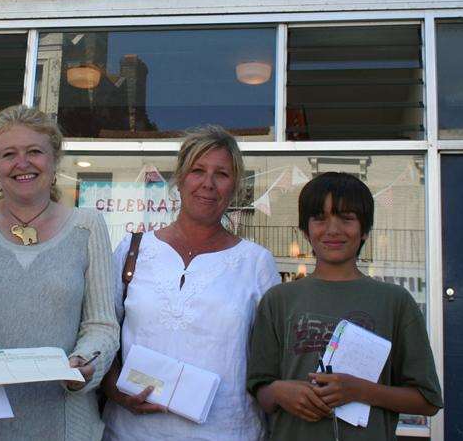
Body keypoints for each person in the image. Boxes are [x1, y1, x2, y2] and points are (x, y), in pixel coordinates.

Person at [0, 105, 119, 441]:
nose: (23, 163)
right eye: (9, 154)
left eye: (35, 152)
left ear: (54, 160)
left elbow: (102, 325)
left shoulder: (87, 227)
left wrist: (86, 360)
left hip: (61, 419)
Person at [101, 125, 280, 441]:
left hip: (226, 432)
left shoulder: (256, 262)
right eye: (198, 170)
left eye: (221, 174)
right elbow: (100, 333)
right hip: (131, 431)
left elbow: (272, 359)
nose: (208, 184)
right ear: (180, 179)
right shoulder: (133, 250)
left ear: (234, 185)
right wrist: (115, 390)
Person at [247, 172, 443, 440]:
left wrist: (358, 390)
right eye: (320, 218)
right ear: (305, 230)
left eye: (347, 218)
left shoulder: (395, 301)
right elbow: (261, 392)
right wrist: (280, 391)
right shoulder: (279, 300)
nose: (333, 230)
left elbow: (427, 400)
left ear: (365, 230)